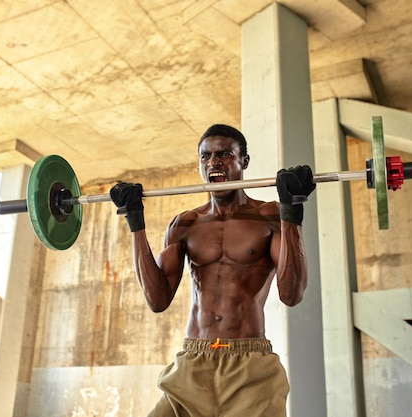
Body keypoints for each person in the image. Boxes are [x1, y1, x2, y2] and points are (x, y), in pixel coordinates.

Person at [110, 124, 316, 417]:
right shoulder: (185, 224)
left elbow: (292, 294)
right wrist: (135, 220)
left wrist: (291, 211)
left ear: (243, 161)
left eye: (224, 154)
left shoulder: (268, 215)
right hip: (193, 362)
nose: (213, 162)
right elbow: (157, 301)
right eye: (205, 156)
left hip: (249, 366)